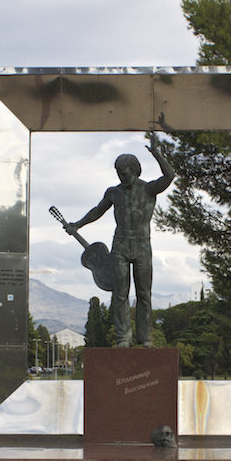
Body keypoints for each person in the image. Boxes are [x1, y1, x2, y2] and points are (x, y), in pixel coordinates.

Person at [65, 133, 175, 347]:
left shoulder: (148, 189)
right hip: (120, 245)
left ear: (134, 171)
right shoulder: (113, 192)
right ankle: (123, 338)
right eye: (118, 174)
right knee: (120, 294)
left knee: (144, 294)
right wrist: (77, 224)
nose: (121, 177)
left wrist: (157, 154)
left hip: (142, 245)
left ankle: (145, 339)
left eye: (124, 173)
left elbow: (169, 176)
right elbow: (97, 211)